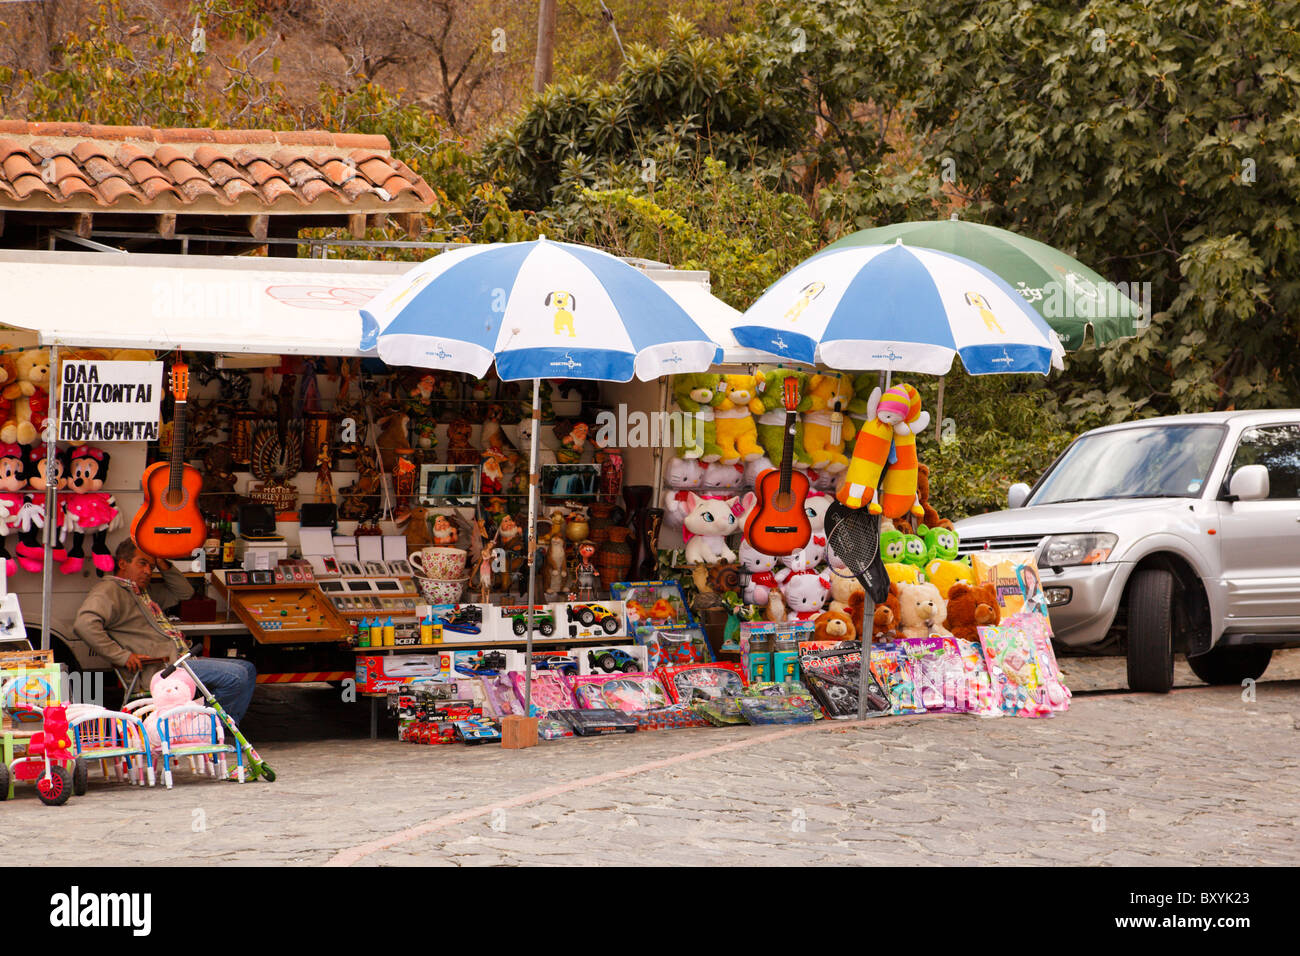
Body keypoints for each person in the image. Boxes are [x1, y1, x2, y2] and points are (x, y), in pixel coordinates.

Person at [74, 539, 257, 725]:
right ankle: (208, 729)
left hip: (179, 662)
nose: (148, 571)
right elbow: (84, 624)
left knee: (248, 669)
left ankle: (222, 728)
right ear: (122, 563)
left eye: (151, 567)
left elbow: (185, 592)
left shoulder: (141, 591)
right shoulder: (109, 590)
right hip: (162, 669)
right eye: (142, 563)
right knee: (236, 677)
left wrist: (161, 562)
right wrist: (122, 656)